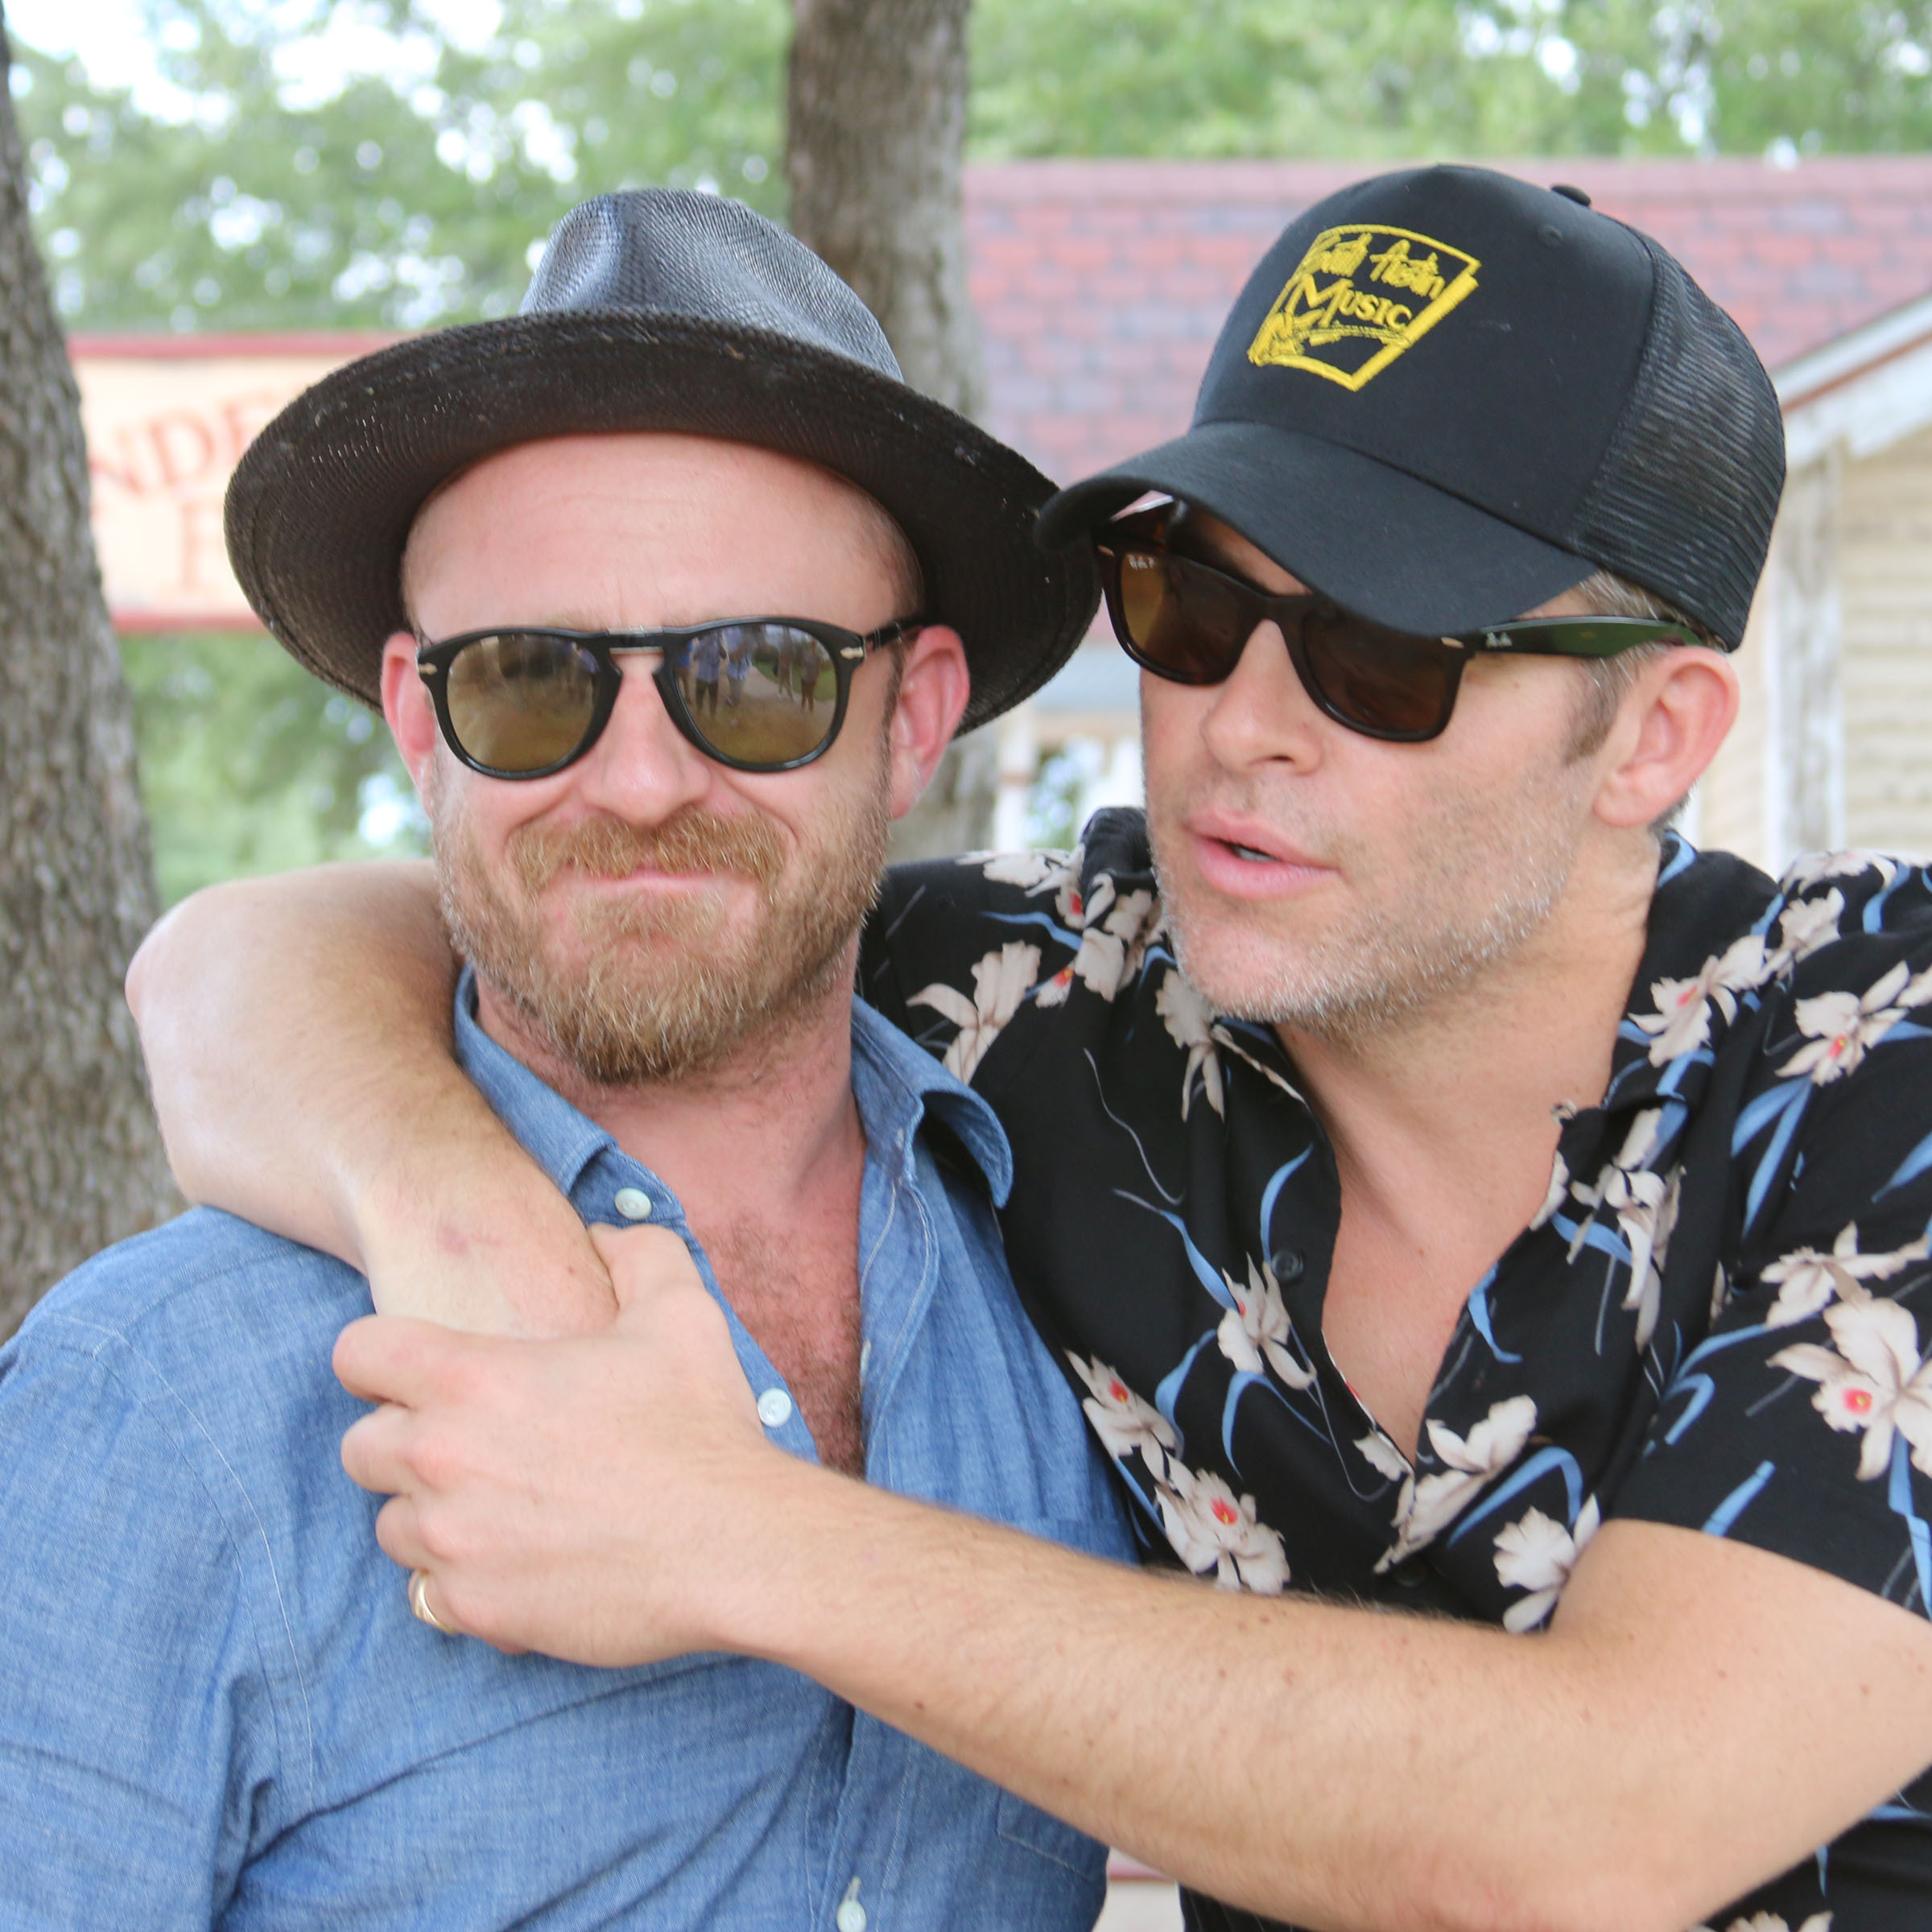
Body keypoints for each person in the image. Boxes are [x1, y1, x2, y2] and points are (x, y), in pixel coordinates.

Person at [132, 167, 1932, 1932]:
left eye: (1384, 655)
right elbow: (273, 957)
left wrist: (719, 1530)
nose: (1240, 726)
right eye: (1188, 606)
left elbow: (1594, 1843)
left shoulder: (1876, 1056)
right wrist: (453, 1228)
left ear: (1654, 736)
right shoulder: (1062, 997)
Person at [0, 188, 1133, 1928]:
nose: (641, 781)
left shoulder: (1101, 1292)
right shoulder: (155, 1405)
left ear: (912, 718)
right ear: (417, 722)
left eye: (757, 679)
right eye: (531, 682)